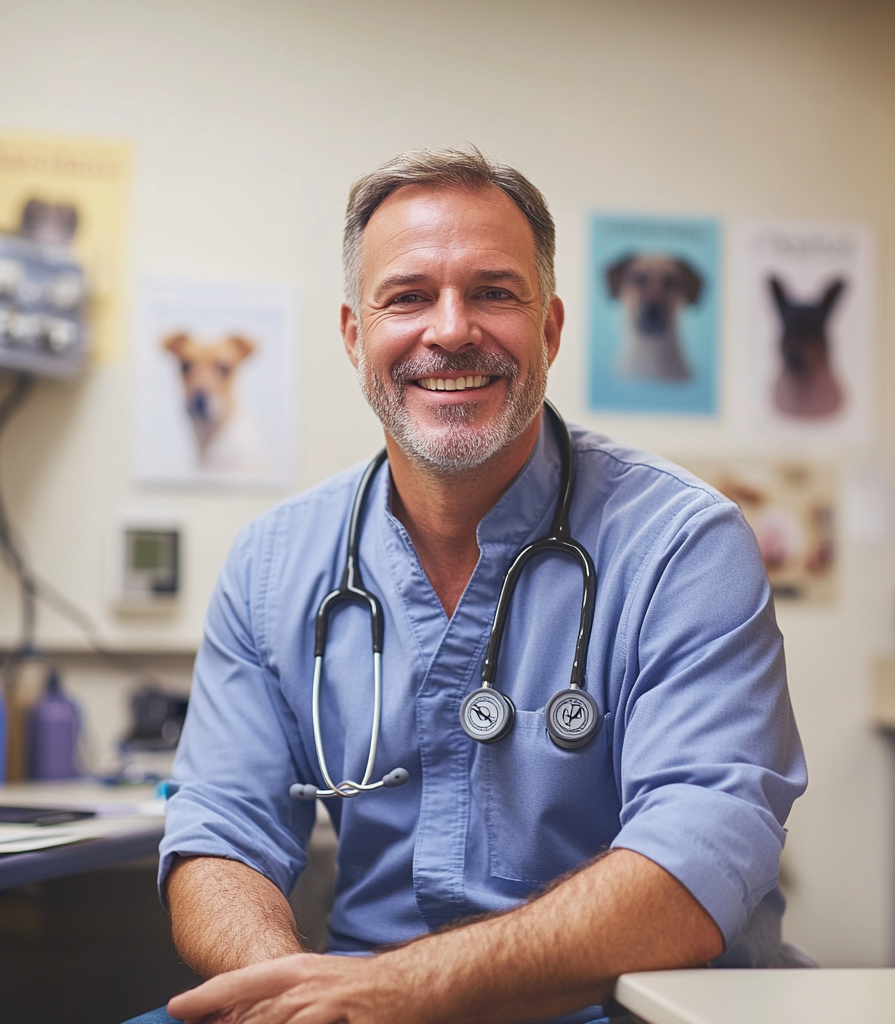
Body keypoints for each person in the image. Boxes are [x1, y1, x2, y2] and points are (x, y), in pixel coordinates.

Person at [129, 147, 806, 1024]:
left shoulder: (682, 544)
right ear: (353, 336)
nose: (450, 330)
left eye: (493, 293)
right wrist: (294, 998)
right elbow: (219, 833)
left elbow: (702, 852)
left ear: (552, 329)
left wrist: (402, 989)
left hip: (618, 1006)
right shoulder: (273, 565)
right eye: (408, 296)